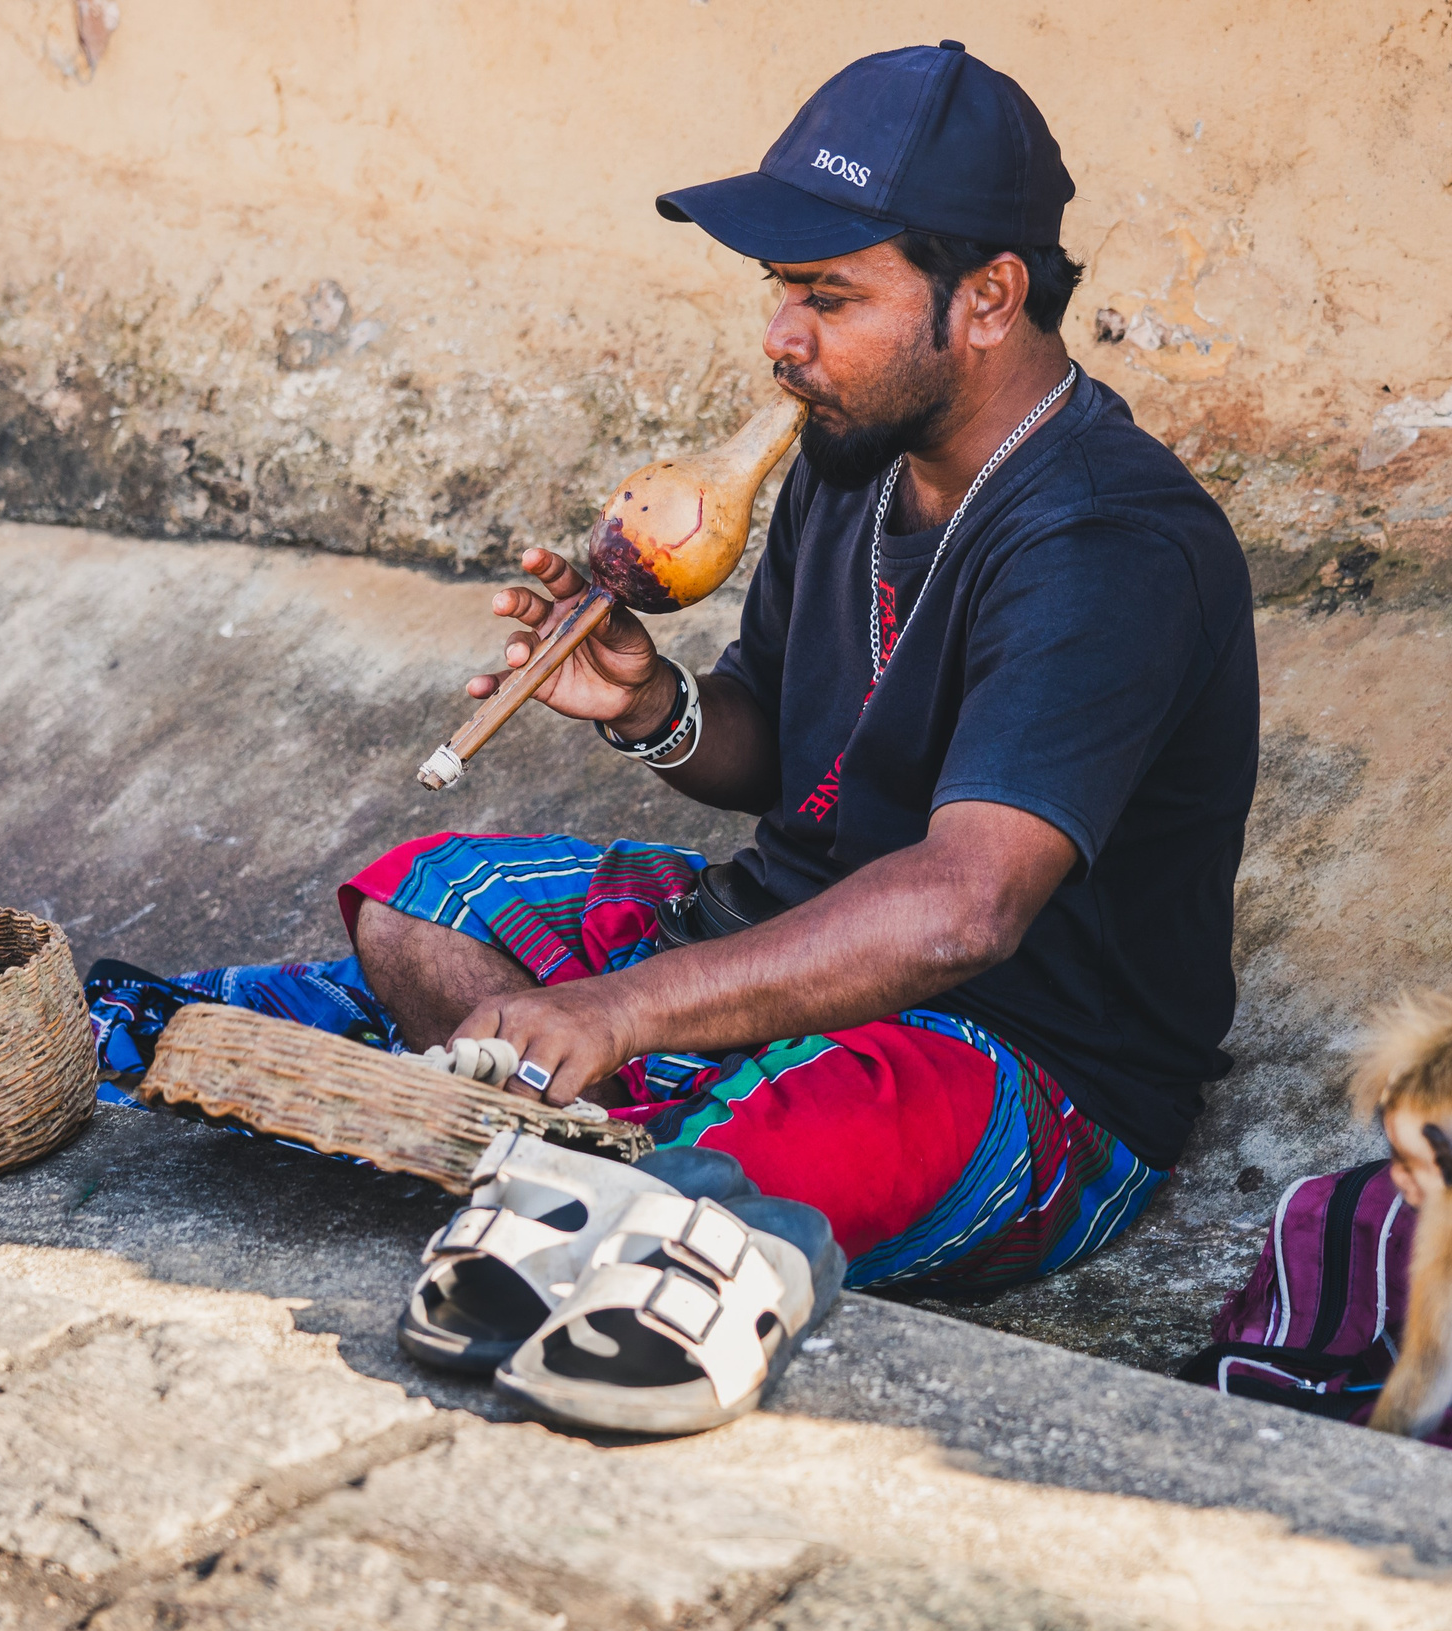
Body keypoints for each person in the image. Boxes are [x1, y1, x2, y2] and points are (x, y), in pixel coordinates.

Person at [89, 40, 1260, 1295]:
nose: (780, 337)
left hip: (1010, 1054)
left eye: (828, 296)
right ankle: (594, 1137)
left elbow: (960, 910)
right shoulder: (849, 461)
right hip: (781, 937)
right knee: (414, 906)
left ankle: (587, 1133)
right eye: (778, 289)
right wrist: (654, 703)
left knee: (756, 1141)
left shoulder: (1107, 537)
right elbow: (782, 754)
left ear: (985, 296)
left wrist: (622, 1008)